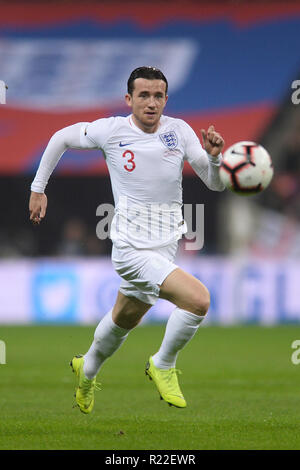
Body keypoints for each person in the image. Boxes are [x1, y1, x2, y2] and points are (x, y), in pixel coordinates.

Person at [29, 66, 225, 413]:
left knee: (125, 319)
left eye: (158, 95)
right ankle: (163, 364)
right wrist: (38, 188)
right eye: (144, 95)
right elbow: (60, 137)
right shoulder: (111, 130)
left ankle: (86, 369)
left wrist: (213, 157)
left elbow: (215, 183)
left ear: (166, 98)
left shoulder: (179, 131)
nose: (151, 103)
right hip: (131, 249)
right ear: (129, 99)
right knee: (198, 301)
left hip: (165, 247)